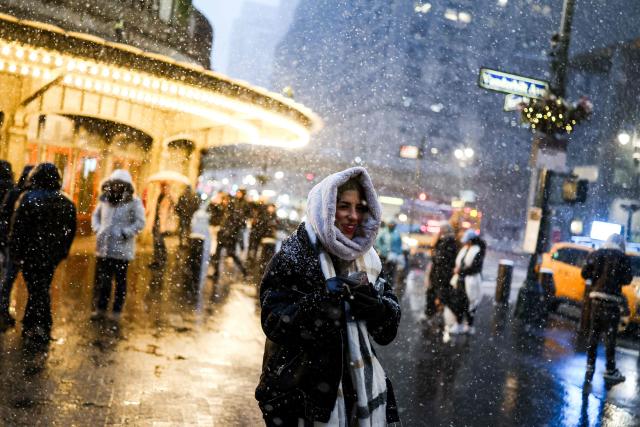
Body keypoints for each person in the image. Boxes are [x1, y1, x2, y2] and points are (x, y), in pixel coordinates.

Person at [256, 167, 401, 426]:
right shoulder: (296, 255)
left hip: (356, 397)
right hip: (300, 397)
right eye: (344, 206)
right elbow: (274, 322)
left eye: (360, 207)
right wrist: (320, 301)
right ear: (326, 207)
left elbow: (387, 330)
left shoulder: (368, 259)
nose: (353, 216)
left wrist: (377, 308)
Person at [9, 163, 76, 347]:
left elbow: (18, 229)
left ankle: (38, 327)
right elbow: (69, 233)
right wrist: (61, 253)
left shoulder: (28, 198)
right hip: (50, 256)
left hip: (30, 254)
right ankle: (37, 326)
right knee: (40, 288)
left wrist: (16, 251)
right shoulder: (67, 202)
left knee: (37, 289)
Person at [91, 170, 145, 321]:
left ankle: (116, 311)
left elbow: (140, 222)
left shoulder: (134, 202)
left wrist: (125, 232)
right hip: (104, 249)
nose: (116, 187)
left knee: (120, 282)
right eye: (114, 184)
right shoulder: (105, 200)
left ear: (126, 186)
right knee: (104, 282)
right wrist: (97, 229)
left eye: (119, 185)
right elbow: (95, 216)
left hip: (122, 251)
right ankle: (101, 309)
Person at [581, 233, 632, 384]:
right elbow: (627, 279)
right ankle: (610, 369)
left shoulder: (597, 254)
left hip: (596, 299)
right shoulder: (623, 258)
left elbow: (584, 273)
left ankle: (590, 365)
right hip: (612, 301)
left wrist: (596, 276)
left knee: (594, 334)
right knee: (610, 337)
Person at [0, 165, 33, 330]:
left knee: (7, 280)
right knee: (10, 280)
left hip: (15, 245)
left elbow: (5, 217)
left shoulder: (18, 193)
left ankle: (5, 312)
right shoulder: (19, 194)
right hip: (19, 246)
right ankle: (8, 313)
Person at [445, 229, 485, 335]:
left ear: (471, 241)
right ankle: (459, 324)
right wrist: (458, 270)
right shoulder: (465, 249)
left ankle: (469, 325)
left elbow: (475, 268)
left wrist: (461, 271)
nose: (465, 243)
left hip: (470, 282)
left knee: (470, 304)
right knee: (459, 303)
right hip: (461, 281)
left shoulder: (477, 251)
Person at [209, 189, 250, 282]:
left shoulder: (233, 211)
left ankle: (244, 271)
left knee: (232, 254)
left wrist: (229, 232)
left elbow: (236, 223)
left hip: (229, 236)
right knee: (217, 254)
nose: (224, 202)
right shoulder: (225, 209)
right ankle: (216, 274)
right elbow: (213, 210)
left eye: (225, 200)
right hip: (223, 234)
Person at [425, 221, 458, 318]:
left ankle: (437, 316)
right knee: (434, 293)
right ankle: (431, 315)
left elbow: (440, 258)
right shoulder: (443, 241)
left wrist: (434, 255)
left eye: (440, 229)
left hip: (442, 274)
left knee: (440, 296)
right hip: (439, 273)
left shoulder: (448, 242)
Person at [150, 183, 175, 269]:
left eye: (165, 187)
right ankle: (160, 260)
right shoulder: (160, 196)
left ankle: (160, 261)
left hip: (161, 223)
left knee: (159, 243)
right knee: (158, 242)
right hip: (156, 222)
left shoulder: (168, 198)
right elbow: (156, 210)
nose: (163, 189)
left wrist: (162, 225)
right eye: (162, 187)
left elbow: (167, 212)